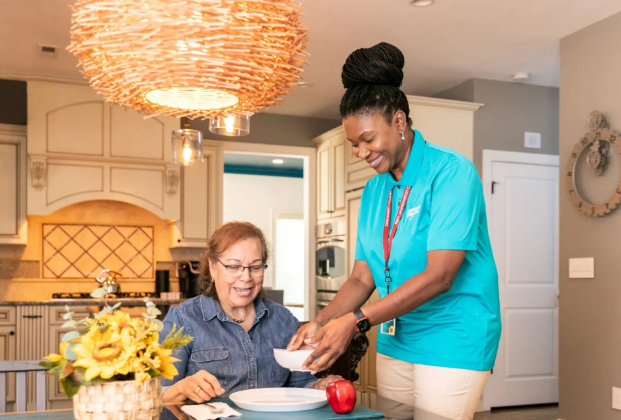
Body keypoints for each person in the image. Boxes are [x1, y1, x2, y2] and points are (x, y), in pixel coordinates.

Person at [288, 42, 501, 420]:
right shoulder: (375, 189)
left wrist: (354, 322)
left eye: (368, 140)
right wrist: (319, 323)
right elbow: (361, 276)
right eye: (353, 144)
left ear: (399, 122)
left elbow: (440, 276)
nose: (360, 152)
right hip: (396, 339)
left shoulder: (451, 173)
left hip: (454, 337)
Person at [160, 221, 341, 403]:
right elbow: (159, 392)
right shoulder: (182, 319)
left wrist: (319, 386)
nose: (246, 277)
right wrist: (182, 387)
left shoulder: (283, 319)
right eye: (233, 266)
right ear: (213, 267)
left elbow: (301, 384)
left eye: (255, 267)